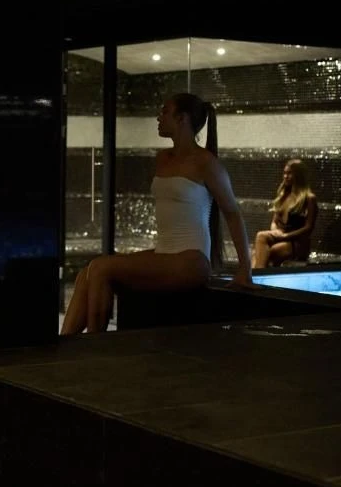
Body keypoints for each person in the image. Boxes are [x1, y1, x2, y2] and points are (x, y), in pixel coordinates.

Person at [60, 93, 256, 335]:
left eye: (164, 112)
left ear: (182, 118)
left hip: (191, 261)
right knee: (86, 274)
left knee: (101, 268)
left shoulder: (206, 163)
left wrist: (245, 269)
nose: (158, 117)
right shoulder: (162, 158)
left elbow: (232, 213)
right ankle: (63, 346)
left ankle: (94, 346)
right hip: (164, 254)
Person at [252, 158, 318, 268]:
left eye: (289, 173)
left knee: (269, 250)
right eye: (284, 173)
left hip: (297, 242)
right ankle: (256, 276)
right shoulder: (283, 195)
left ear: (299, 175)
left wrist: (285, 236)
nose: (285, 176)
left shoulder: (309, 198)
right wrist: (275, 232)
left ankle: (255, 276)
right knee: (258, 245)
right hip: (281, 235)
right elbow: (274, 221)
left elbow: (308, 228)